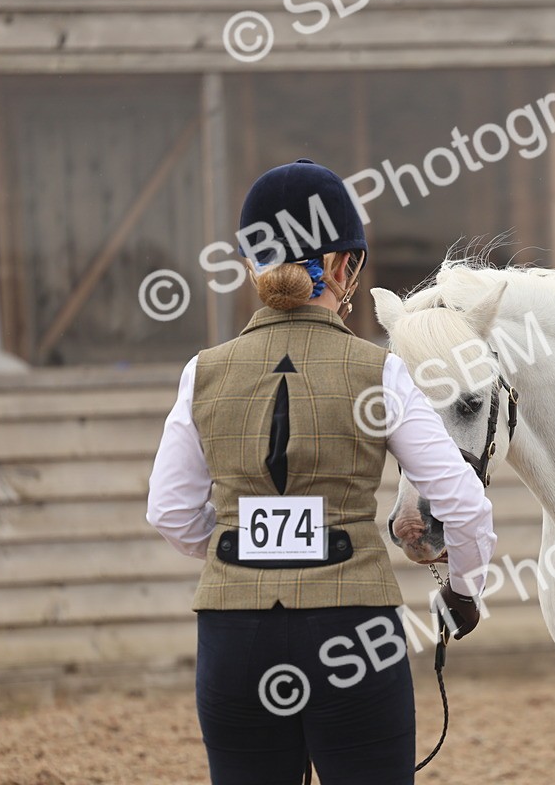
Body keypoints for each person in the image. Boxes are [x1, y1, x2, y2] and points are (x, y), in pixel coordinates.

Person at [146, 159, 495, 785]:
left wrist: (239, 549)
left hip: (235, 637)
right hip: (353, 633)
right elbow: (464, 505)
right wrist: (462, 591)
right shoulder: (380, 371)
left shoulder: (203, 372)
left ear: (252, 264)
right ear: (342, 266)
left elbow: (169, 512)